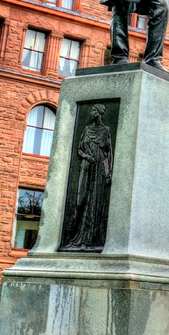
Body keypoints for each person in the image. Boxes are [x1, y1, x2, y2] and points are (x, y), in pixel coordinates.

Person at [65, 103, 113, 251]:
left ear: (99, 112)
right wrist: (86, 157)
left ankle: (93, 240)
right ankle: (80, 237)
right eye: (91, 109)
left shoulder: (106, 131)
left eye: (94, 110)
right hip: (86, 167)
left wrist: (109, 172)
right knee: (82, 201)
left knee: (95, 202)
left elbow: (109, 153)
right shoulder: (86, 130)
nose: (91, 112)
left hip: (99, 169)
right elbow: (79, 149)